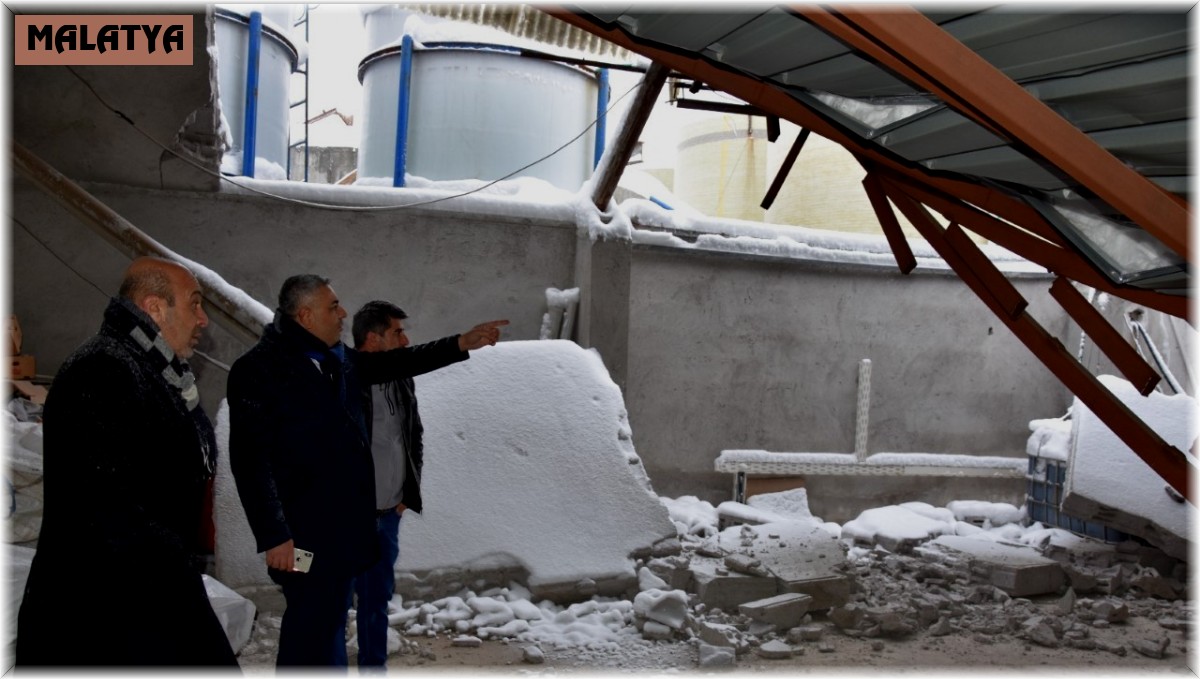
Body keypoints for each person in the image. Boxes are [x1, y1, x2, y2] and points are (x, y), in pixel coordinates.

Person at [228, 274, 506, 668]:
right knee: (307, 628)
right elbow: (250, 461)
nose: (343, 314)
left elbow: (396, 362)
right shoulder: (258, 369)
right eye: (333, 307)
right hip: (301, 538)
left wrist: (460, 343)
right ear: (305, 315)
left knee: (328, 626)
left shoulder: (335, 359)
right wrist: (275, 536)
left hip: (343, 535)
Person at [16, 256, 239, 668]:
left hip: (143, 596)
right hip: (100, 616)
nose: (203, 319)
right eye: (194, 303)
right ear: (155, 308)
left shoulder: (151, 370)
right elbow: (105, 507)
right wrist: (176, 573)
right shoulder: (102, 370)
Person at [348, 300, 441, 669]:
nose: (406, 340)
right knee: (328, 602)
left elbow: (413, 435)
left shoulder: (402, 377)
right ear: (373, 339)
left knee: (375, 601)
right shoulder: (343, 376)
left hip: (386, 516)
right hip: (343, 518)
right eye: (397, 333)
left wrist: (404, 495)